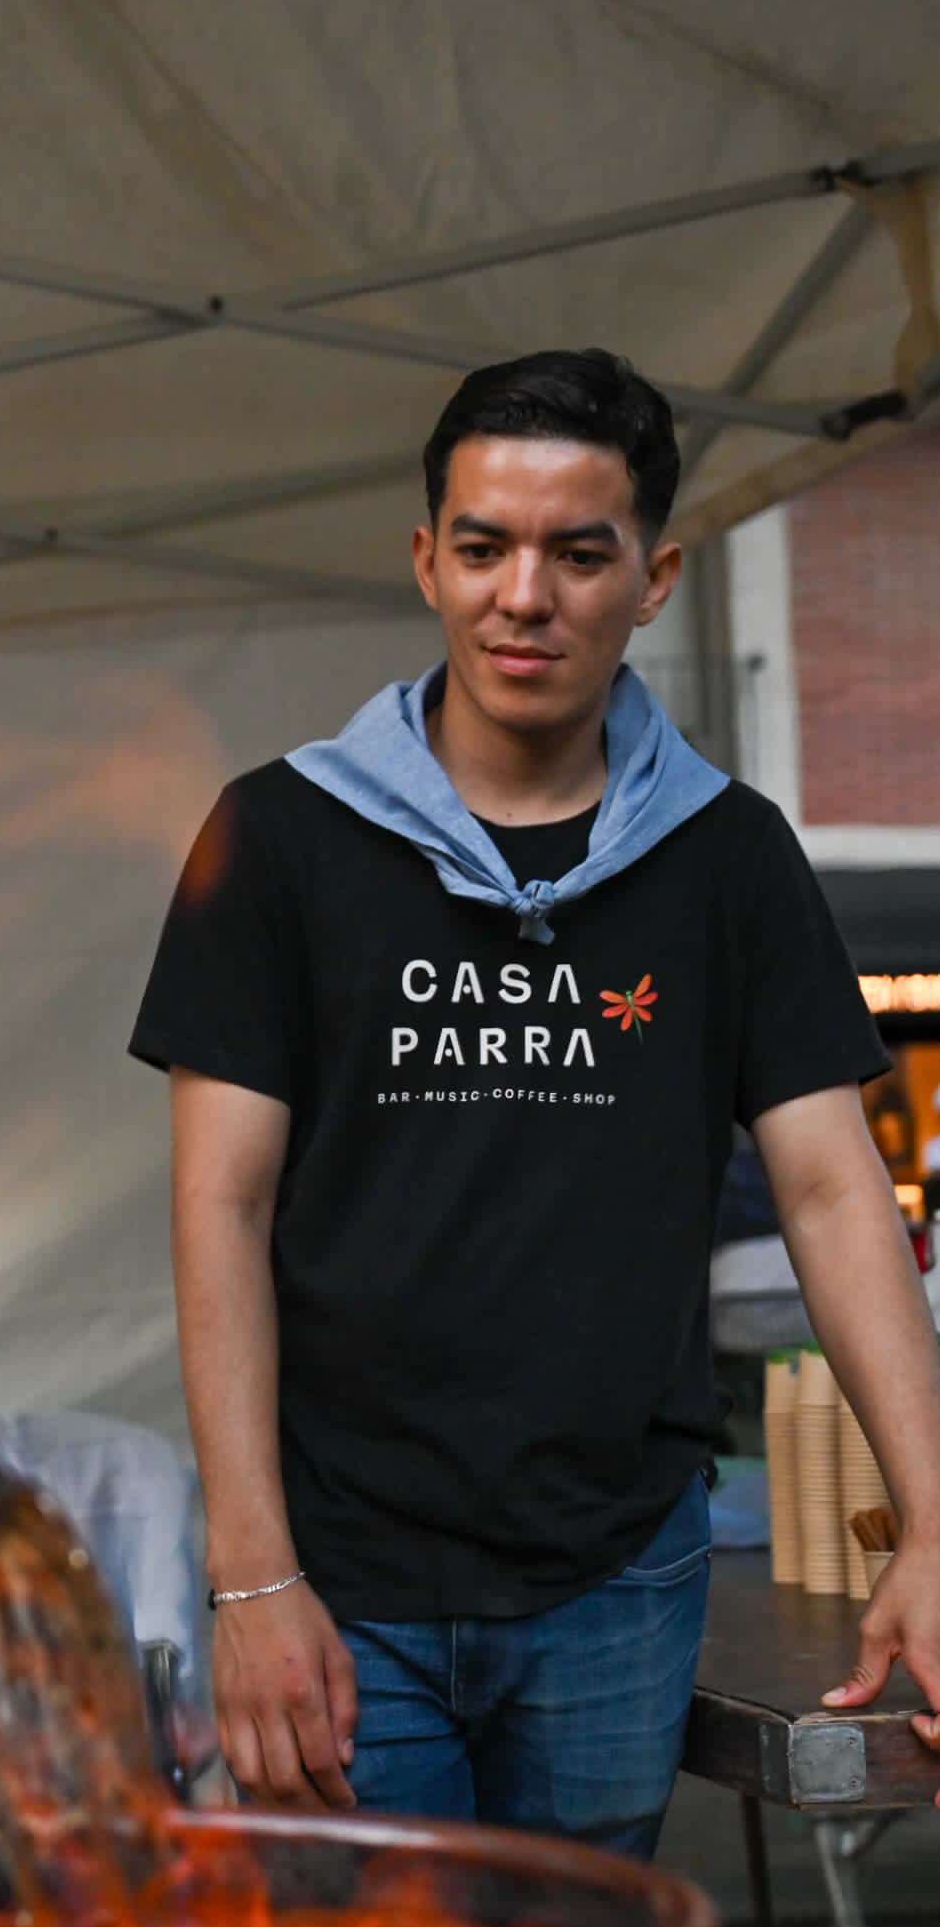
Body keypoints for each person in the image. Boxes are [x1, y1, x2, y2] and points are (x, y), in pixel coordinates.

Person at [131, 348, 940, 1850]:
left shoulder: (728, 855)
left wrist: (936, 1527)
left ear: (652, 575)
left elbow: (833, 1193)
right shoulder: (279, 837)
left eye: (579, 553)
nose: (526, 595)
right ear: (426, 557)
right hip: (336, 1567)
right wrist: (247, 1579)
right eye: (486, 546)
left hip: (614, 1573)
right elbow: (216, 1207)